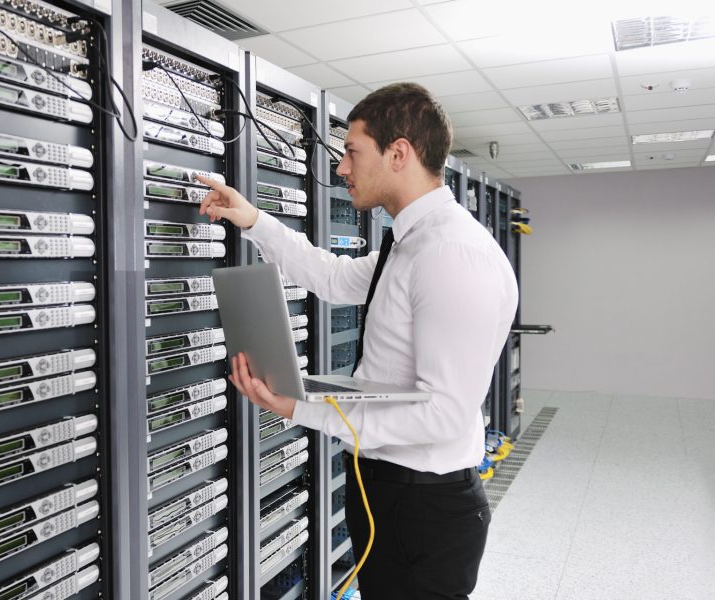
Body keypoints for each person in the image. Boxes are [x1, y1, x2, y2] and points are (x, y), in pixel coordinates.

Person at [196, 82, 517, 599]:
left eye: (351, 151)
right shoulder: (411, 242)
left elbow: (444, 415)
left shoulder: (453, 255)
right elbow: (334, 277)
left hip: (424, 508)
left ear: (399, 153)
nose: (341, 167)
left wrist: (300, 408)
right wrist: (253, 220)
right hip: (389, 490)